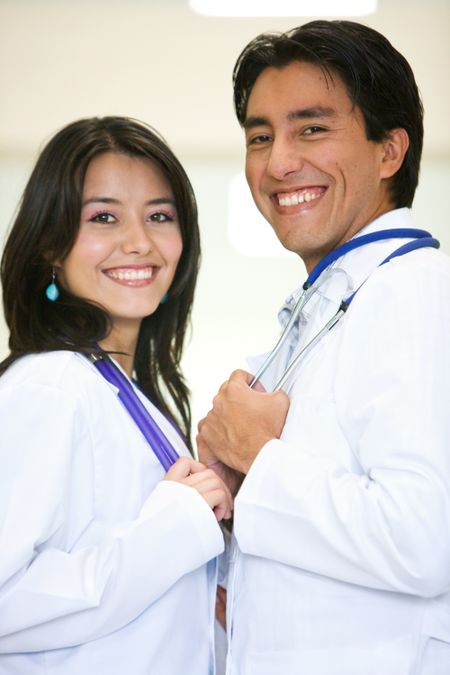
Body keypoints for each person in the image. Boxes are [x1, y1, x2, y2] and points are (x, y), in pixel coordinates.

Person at [197, 20, 450, 675]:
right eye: (260, 135)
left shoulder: (414, 290)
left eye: (311, 128)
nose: (277, 162)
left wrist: (259, 455)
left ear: (390, 151)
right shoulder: (334, 298)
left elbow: (422, 541)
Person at [0, 116, 233, 675]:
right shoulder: (50, 385)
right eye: (103, 217)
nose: (139, 242)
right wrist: (179, 525)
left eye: (160, 216)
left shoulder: (118, 388)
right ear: (51, 246)